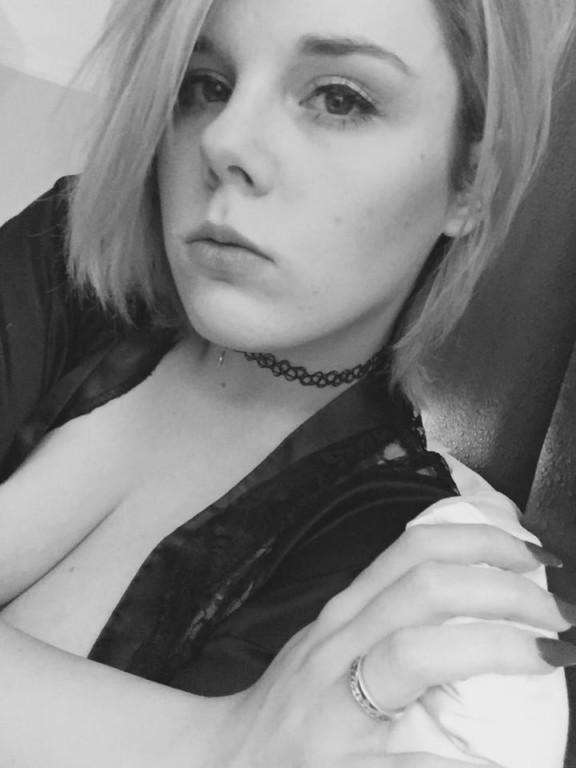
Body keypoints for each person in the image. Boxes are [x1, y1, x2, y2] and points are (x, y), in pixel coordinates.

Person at [0, 0, 575, 766]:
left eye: (340, 98)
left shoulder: (383, 552)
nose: (225, 140)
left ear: (472, 179)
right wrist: (208, 740)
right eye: (205, 84)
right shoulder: (62, 261)